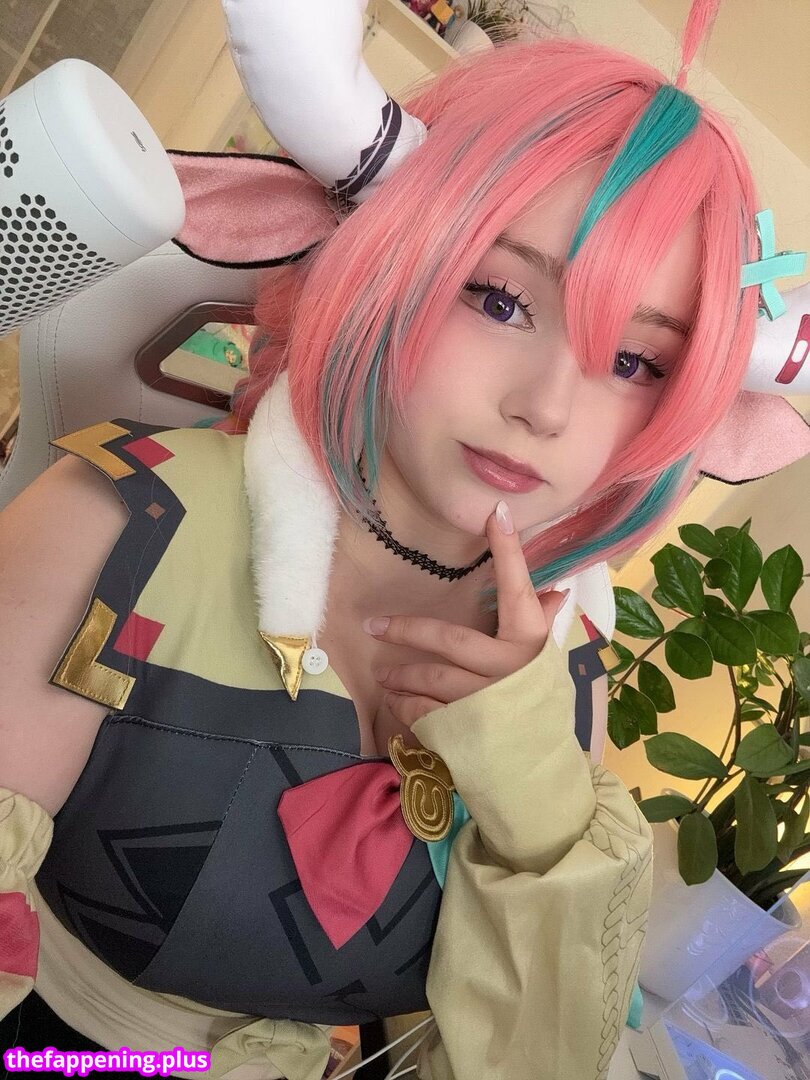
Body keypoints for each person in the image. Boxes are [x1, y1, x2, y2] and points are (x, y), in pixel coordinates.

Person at [1, 0, 808, 1077]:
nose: (546, 407)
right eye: (501, 299)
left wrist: (538, 799)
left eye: (634, 363)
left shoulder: (564, 657)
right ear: (392, 259)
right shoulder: (115, 530)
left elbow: (536, 1052)